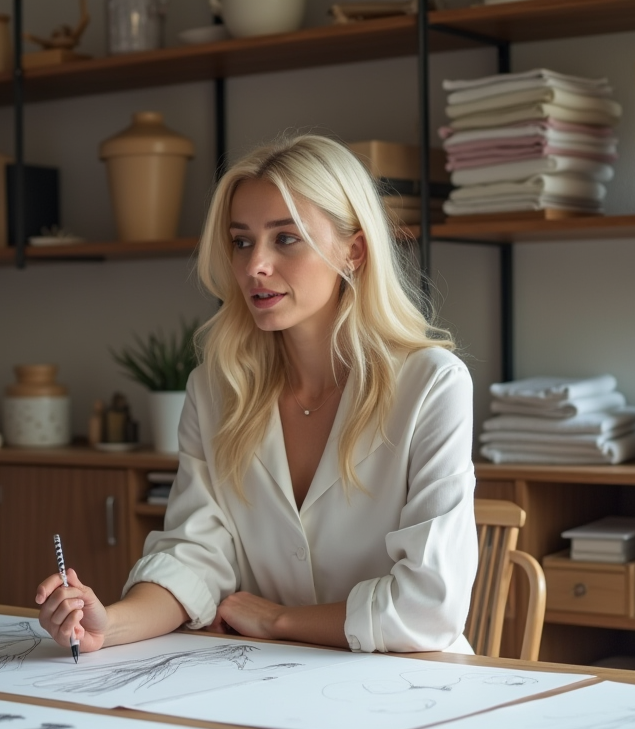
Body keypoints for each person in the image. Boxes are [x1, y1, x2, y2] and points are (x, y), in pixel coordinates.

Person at [36, 134, 477, 654]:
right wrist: (108, 623)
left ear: (353, 250)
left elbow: (430, 608)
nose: (253, 266)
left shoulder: (431, 384)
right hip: (260, 682)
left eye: (285, 238)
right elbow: (194, 555)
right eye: (241, 241)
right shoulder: (216, 390)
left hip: (407, 690)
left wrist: (281, 621)